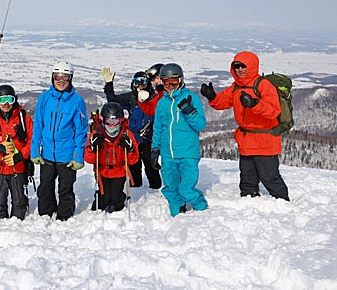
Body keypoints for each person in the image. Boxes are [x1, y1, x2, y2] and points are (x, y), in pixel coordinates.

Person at [200, 51, 289, 201]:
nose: (240, 69)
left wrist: (255, 104)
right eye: (237, 66)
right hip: (247, 138)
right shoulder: (236, 87)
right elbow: (223, 102)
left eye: (243, 66)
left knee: (269, 176)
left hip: (265, 139)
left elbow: (274, 111)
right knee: (247, 175)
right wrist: (212, 97)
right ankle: (248, 200)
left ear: (252, 66)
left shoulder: (263, 85)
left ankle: (282, 201)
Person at [30, 60, 88, 221]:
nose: (61, 81)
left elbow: (81, 130)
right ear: (52, 78)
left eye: (65, 78)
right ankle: (46, 213)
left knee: (65, 188)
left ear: (71, 79)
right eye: (57, 77)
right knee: (45, 187)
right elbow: (38, 126)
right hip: (47, 153)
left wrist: (78, 155)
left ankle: (65, 215)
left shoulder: (76, 101)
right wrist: (35, 150)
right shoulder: (44, 98)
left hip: (67, 154)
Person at [151, 63, 208, 217]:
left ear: (181, 80)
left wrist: (190, 111)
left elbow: (201, 125)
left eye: (173, 83)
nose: (169, 87)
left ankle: (201, 209)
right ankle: (177, 212)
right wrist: (155, 149)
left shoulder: (191, 99)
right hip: (168, 154)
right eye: (166, 83)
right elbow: (157, 127)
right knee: (171, 187)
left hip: (188, 153)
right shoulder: (162, 103)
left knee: (186, 188)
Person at [0, 84, 33, 220]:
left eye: (9, 99)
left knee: (20, 203)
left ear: (15, 99)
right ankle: (1, 228)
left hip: (18, 167)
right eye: (2, 100)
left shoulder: (23, 118)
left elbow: (33, 141)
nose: (6, 103)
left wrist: (20, 156)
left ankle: (17, 229)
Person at [102, 66, 157, 188]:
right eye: (137, 82)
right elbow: (112, 100)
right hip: (134, 138)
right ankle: (136, 188)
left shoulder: (154, 98)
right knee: (133, 166)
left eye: (143, 82)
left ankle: (156, 190)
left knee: (151, 165)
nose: (140, 85)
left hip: (149, 139)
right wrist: (109, 83)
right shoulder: (131, 98)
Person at [84, 102, 139, 213]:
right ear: (103, 120)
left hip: (119, 171)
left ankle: (117, 205)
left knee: (115, 196)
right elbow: (89, 159)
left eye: (116, 122)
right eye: (109, 122)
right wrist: (92, 147)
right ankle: (100, 206)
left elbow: (134, 160)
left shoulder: (126, 134)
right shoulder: (97, 133)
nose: (112, 126)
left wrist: (130, 149)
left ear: (121, 121)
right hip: (102, 170)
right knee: (104, 197)